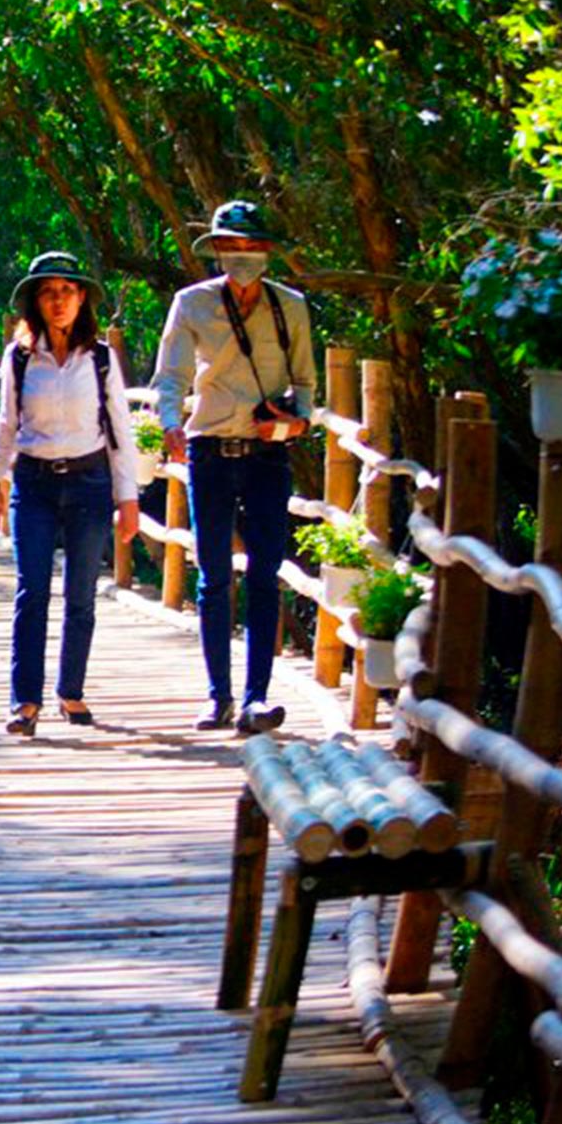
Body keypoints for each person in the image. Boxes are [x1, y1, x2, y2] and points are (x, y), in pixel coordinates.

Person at [151, 200, 317, 735]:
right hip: (209, 451)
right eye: (233, 247)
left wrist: (293, 423)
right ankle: (218, 695)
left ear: (267, 251)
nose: (243, 257)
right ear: (217, 250)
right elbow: (170, 375)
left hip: (268, 454)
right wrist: (172, 422)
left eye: (252, 247)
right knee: (215, 575)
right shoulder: (192, 304)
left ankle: (256, 697)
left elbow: (307, 386)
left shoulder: (289, 306)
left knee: (266, 574)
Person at [0, 252, 142, 736]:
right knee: (32, 591)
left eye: (67, 291)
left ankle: (70, 692)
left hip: (89, 483)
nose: (58, 300)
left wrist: (128, 497)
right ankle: (24, 701)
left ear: (81, 299)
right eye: (48, 291)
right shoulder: (19, 356)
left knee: (81, 596)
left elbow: (119, 426)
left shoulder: (99, 358)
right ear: (35, 300)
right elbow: (7, 421)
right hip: (33, 482)